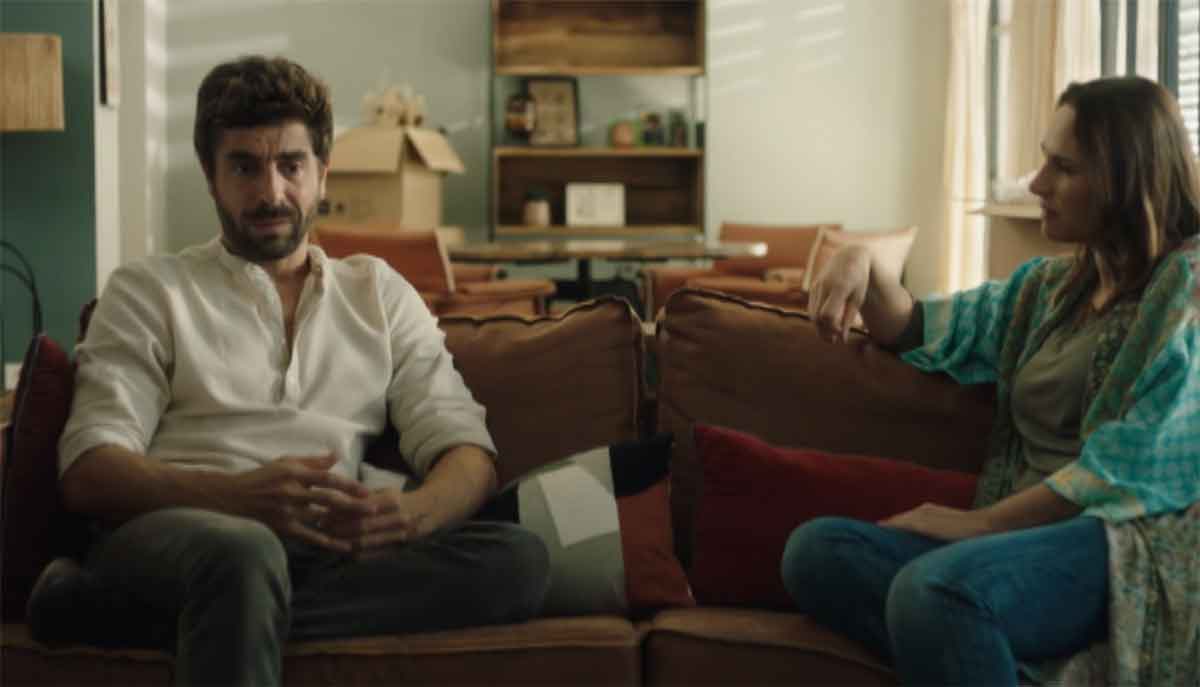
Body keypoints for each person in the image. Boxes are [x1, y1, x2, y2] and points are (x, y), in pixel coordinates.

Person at [27, 55, 550, 686]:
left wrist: (410, 515)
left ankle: (118, 612)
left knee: (518, 560)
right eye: (245, 166)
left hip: (325, 554)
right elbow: (89, 471)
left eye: (291, 166)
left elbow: (467, 451)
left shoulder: (379, 293)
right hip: (183, 538)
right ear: (211, 177)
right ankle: (224, 599)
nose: (271, 193)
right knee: (243, 554)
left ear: (322, 173)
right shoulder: (149, 290)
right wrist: (237, 499)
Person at [783, 76, 1200, 686]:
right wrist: (859, 261)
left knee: (933, 592)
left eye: (1063, 168)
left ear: (1124, 179)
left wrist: (982, 524)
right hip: (1012, 548)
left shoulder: (1186, 290)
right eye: (1044, 160)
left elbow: (1129, 464)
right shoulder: (1047, 288)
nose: (1037, 184)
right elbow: (917, 327)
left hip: (1115, 540)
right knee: (816, 554)